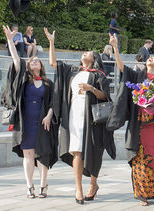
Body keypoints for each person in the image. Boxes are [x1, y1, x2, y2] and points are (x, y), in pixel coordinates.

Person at [107, 33, 154, 206]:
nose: (151, 59)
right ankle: (142, 193)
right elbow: (120, 68)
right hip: (139, 126)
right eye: (150, 57)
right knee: (140, 159)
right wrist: (115, 47)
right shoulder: (138, 77)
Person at [44, 28, 115, 205]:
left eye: (89, 53)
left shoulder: (99, 75)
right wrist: (51, 42)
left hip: (91, 118)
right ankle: (79, 188)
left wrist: (91, 89)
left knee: (93, 153)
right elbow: (53, 63)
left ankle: (93, 183)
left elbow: (105, 97)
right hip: (74, 115)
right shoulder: (73, 71)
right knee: (76, 151)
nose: (85, 53)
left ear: (94, 59)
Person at [2, 25, 58, 199]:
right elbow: (16, 59)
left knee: (43, 155)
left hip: (43, 122)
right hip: (25, 122)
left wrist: (49, 115)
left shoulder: (48, 83)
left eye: (37, 60)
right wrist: (10, 40)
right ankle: (29, 186)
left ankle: (43, 185)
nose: (34, 61)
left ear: (41, 65)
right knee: (28, 154)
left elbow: (53, 103)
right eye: (31, 60)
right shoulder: (24, 80)